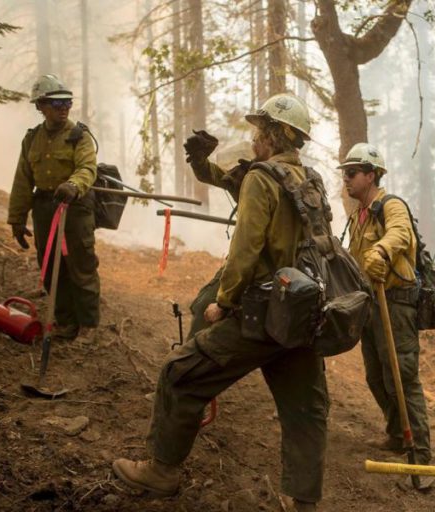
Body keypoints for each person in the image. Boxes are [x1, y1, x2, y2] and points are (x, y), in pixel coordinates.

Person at [112, 94, 328, 512]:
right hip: (301, 314)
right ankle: (304, 501)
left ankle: (161, 471)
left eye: (259, 131)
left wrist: (224, 303)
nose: (254, 139)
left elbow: (245, 250)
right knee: (306, 408)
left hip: (263, 312)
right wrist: (200, 162)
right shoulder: (310, 181)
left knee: (179, 374)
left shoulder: (263, 179)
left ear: (273, 135)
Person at [339, 143, 433, 485]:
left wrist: (380, 250)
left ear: (371, 175)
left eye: (352, 173)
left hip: (396, 302)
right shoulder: (357, 214)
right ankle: (396, 433)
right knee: (376, 376)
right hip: (370, 303)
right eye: (345, 173)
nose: (346, 179)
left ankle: (420, 456)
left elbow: (400, 233)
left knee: (402, 377)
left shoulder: (391, 205)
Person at [7, 74, 99, 341]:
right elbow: (23, 179)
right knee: (49, 268)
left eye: (67, 102)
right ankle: (66, 321)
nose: (64, 108)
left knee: (81, 266)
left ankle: (88, 324)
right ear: (40, 106)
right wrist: (17, 219)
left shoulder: (79, 136)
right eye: (57, 103)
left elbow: (87, 168)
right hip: (45, 209)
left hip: (75, 208)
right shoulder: (31, 139)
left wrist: (73, 185)